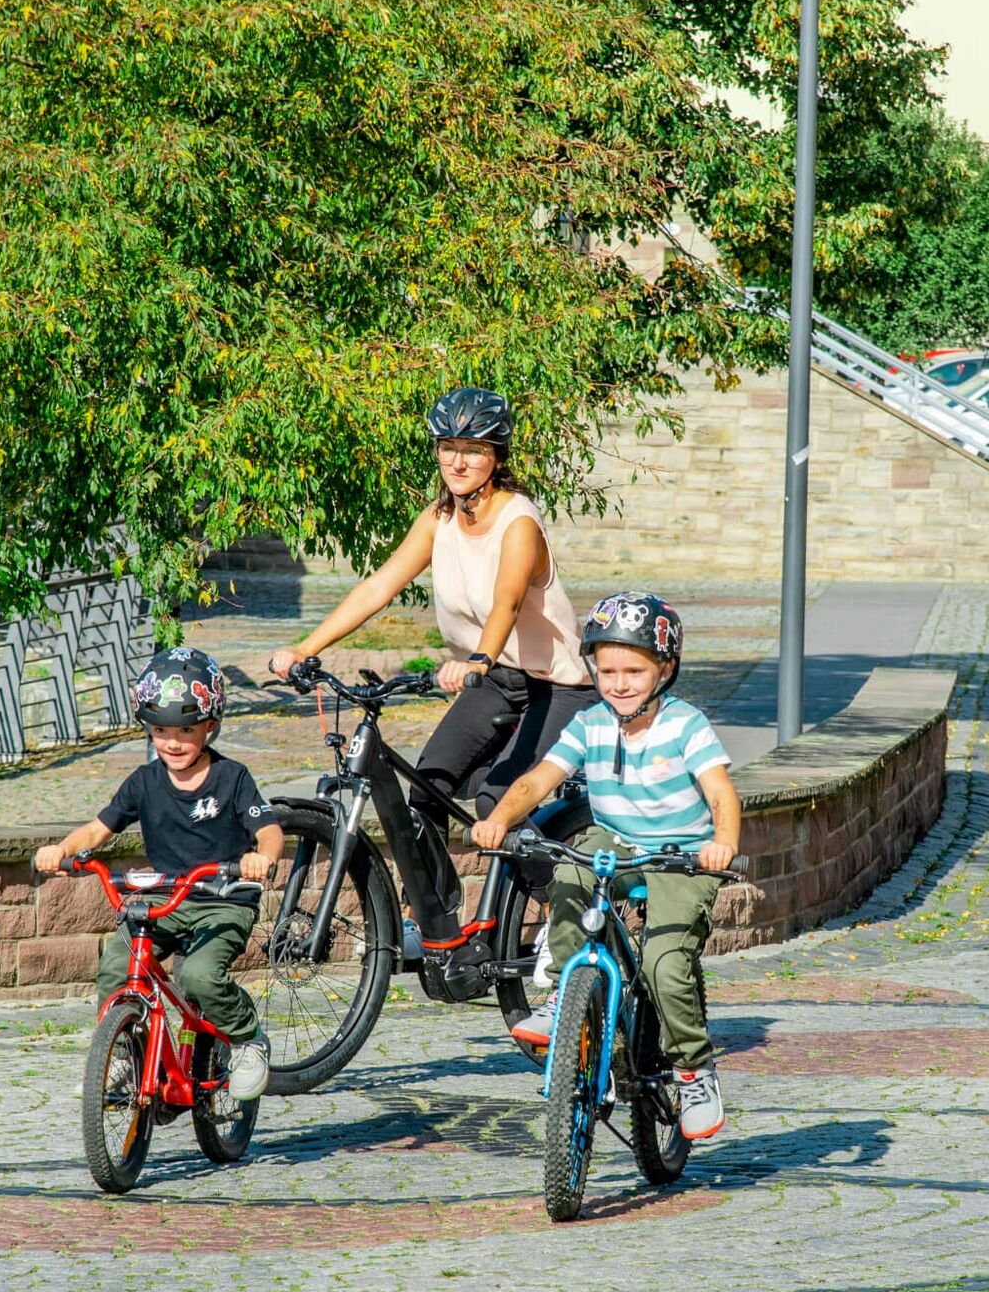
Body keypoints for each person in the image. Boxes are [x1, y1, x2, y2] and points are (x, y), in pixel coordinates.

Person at [267, 387, 592, 909]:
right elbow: (379, 586)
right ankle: (436, 918)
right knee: (428, 786)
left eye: (473, 450)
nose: (457, 462)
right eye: (447, 447)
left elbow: (507, 603)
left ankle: (567, 912)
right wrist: (306, 648)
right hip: (497, 681)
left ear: (497, 456)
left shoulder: (519, 523)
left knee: (497, 802)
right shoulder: (439, 518)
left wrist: (478, 659)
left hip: (557, 687)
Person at [471, 592, 741, 1141]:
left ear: (665, 669)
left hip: (682, 854)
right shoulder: (591, 723)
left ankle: (694, 1071)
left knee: (665, 964)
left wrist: (723, 843)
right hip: (616, 839)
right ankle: (563, 999)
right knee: (571, 872)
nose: (619, 683)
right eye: (608, 670)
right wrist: (498, 819)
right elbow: (538, 780)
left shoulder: (685, 725)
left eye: (634, 671)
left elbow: (721, 794)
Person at [34, 647, 283, 1099]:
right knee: (117, 963)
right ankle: (123, 1055)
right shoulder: (144, 782)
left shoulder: (232, 778)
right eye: (161, 730)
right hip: (168, 898)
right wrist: (63, 850)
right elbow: (98, 829)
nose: (172, 742)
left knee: (199, 977)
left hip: (223, 901)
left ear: (210, 726)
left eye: (186, 730)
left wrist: (261, 858)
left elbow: (268, 830)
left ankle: (248, 1038)